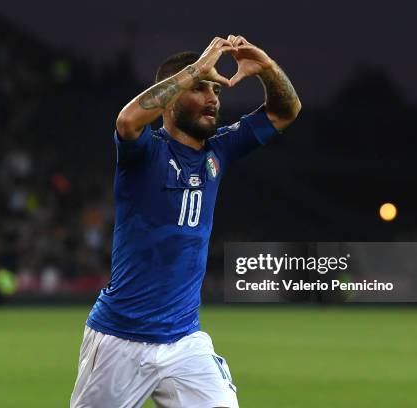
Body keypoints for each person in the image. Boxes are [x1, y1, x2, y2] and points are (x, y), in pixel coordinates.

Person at [70, 35, 301, 407]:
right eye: (200, 89)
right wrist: (195, 68)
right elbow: (127, 121)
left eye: (216, 90)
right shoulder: (146, 152)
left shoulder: (219, 150)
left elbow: (284, 111)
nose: (213, 99)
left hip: (184, 341)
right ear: (171, 97)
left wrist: (267, 68)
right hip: (120, 338)